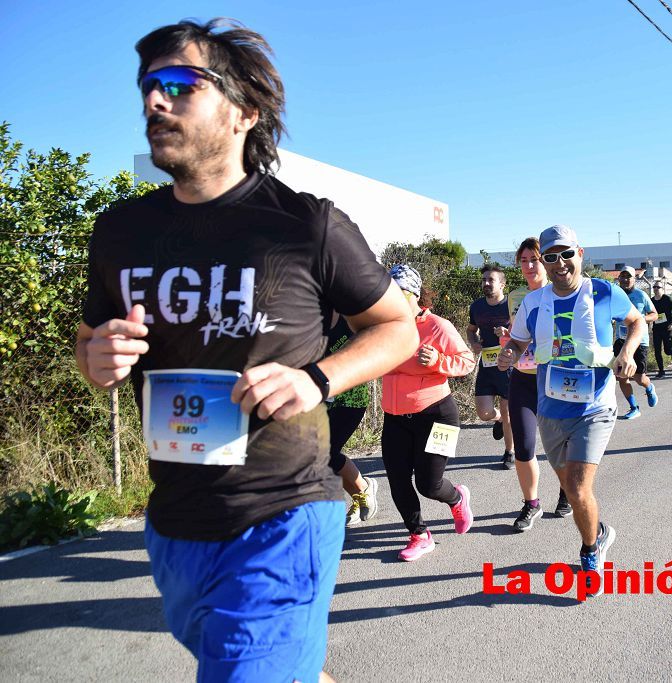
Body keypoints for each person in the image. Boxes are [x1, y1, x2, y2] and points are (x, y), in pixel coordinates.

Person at [75, 19, 419, 683]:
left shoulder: (305, 224)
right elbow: (91, 341)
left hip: (283, 513)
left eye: (178, 83)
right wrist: (95, 358)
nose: (153, 100)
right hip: (174, 520)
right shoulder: (120, 232)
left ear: (244, 112)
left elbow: (397, 327)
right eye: (147, 85)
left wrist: (317, 378)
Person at [498, 225, 644, 592]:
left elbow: (637, 321)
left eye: (566, 253)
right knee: (569, 486)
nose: (559, 262)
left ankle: (590, 552)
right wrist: (509, 354)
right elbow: (518, 342)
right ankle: (600, 531)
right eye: (551, 256)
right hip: (551, 408)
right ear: (544, 262)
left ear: (580, 253)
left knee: (578, 490)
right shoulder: (533, 303)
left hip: (595, 406)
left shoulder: (603, 291)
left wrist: (627, 351)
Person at [381, 265, 476, 561]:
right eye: (388, 294)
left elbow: (467, 361)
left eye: (400, 293)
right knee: (397, 479)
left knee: (429, 483)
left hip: (439, 415)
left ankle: (457, 498)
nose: (394, 300)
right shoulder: (384, 327)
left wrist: (438, 360)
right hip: (395, 417)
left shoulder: (437, 326)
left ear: (415, 294)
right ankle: (419, 535)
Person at [505, 237, 571, 532]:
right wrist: (508, 348)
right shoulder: (515, 297)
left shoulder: (558, 293)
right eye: (524, 261)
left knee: (559, 445)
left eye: (535, 259)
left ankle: (567, 490)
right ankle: (531, 504)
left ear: (545, 261)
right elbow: (516, 336)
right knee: (524, 445)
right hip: (522, 378)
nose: (530, 266)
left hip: (554, 380)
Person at [324, 315, 379, 528]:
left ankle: (363, 489)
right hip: (322, 396)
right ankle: (361, 492)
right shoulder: (310, 321)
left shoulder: (349, 318)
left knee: (327, 452)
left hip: (352, 397)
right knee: (319, 453)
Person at [467, 264, 514, 468]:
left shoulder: (512, 305)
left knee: (508, 412)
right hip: (487, 366)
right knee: (484, 413)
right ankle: (499, 420)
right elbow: (471, 330)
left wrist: (507, 333)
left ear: (502, 284)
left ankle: (509, 452)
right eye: (484, 279)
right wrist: (474, 342)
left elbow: (525, 333)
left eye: (491, 280)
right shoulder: (476, 306)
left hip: (508, 365)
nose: (486, 283)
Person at [614, 267, 659, 420]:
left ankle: (649, 387)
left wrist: (639, 320)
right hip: (620, 340)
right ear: (619, 278)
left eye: (629, 277)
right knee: (621, 376)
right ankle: (634, 407)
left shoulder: (641, 295)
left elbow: (654, 314)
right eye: (623, 276)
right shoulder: (615, 295)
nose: (626, 279)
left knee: (639, 378)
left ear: (634, 279)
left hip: (639, 340)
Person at [650, 281, 672, 378]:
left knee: (667, 350)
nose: (656, 289)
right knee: (657, 351)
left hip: (667, 328)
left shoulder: (667, 299)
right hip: (656, 329)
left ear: (662, 289)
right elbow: (648, 314)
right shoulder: (651, 301)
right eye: (654, 287)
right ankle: (661, 371)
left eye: (658, 287)